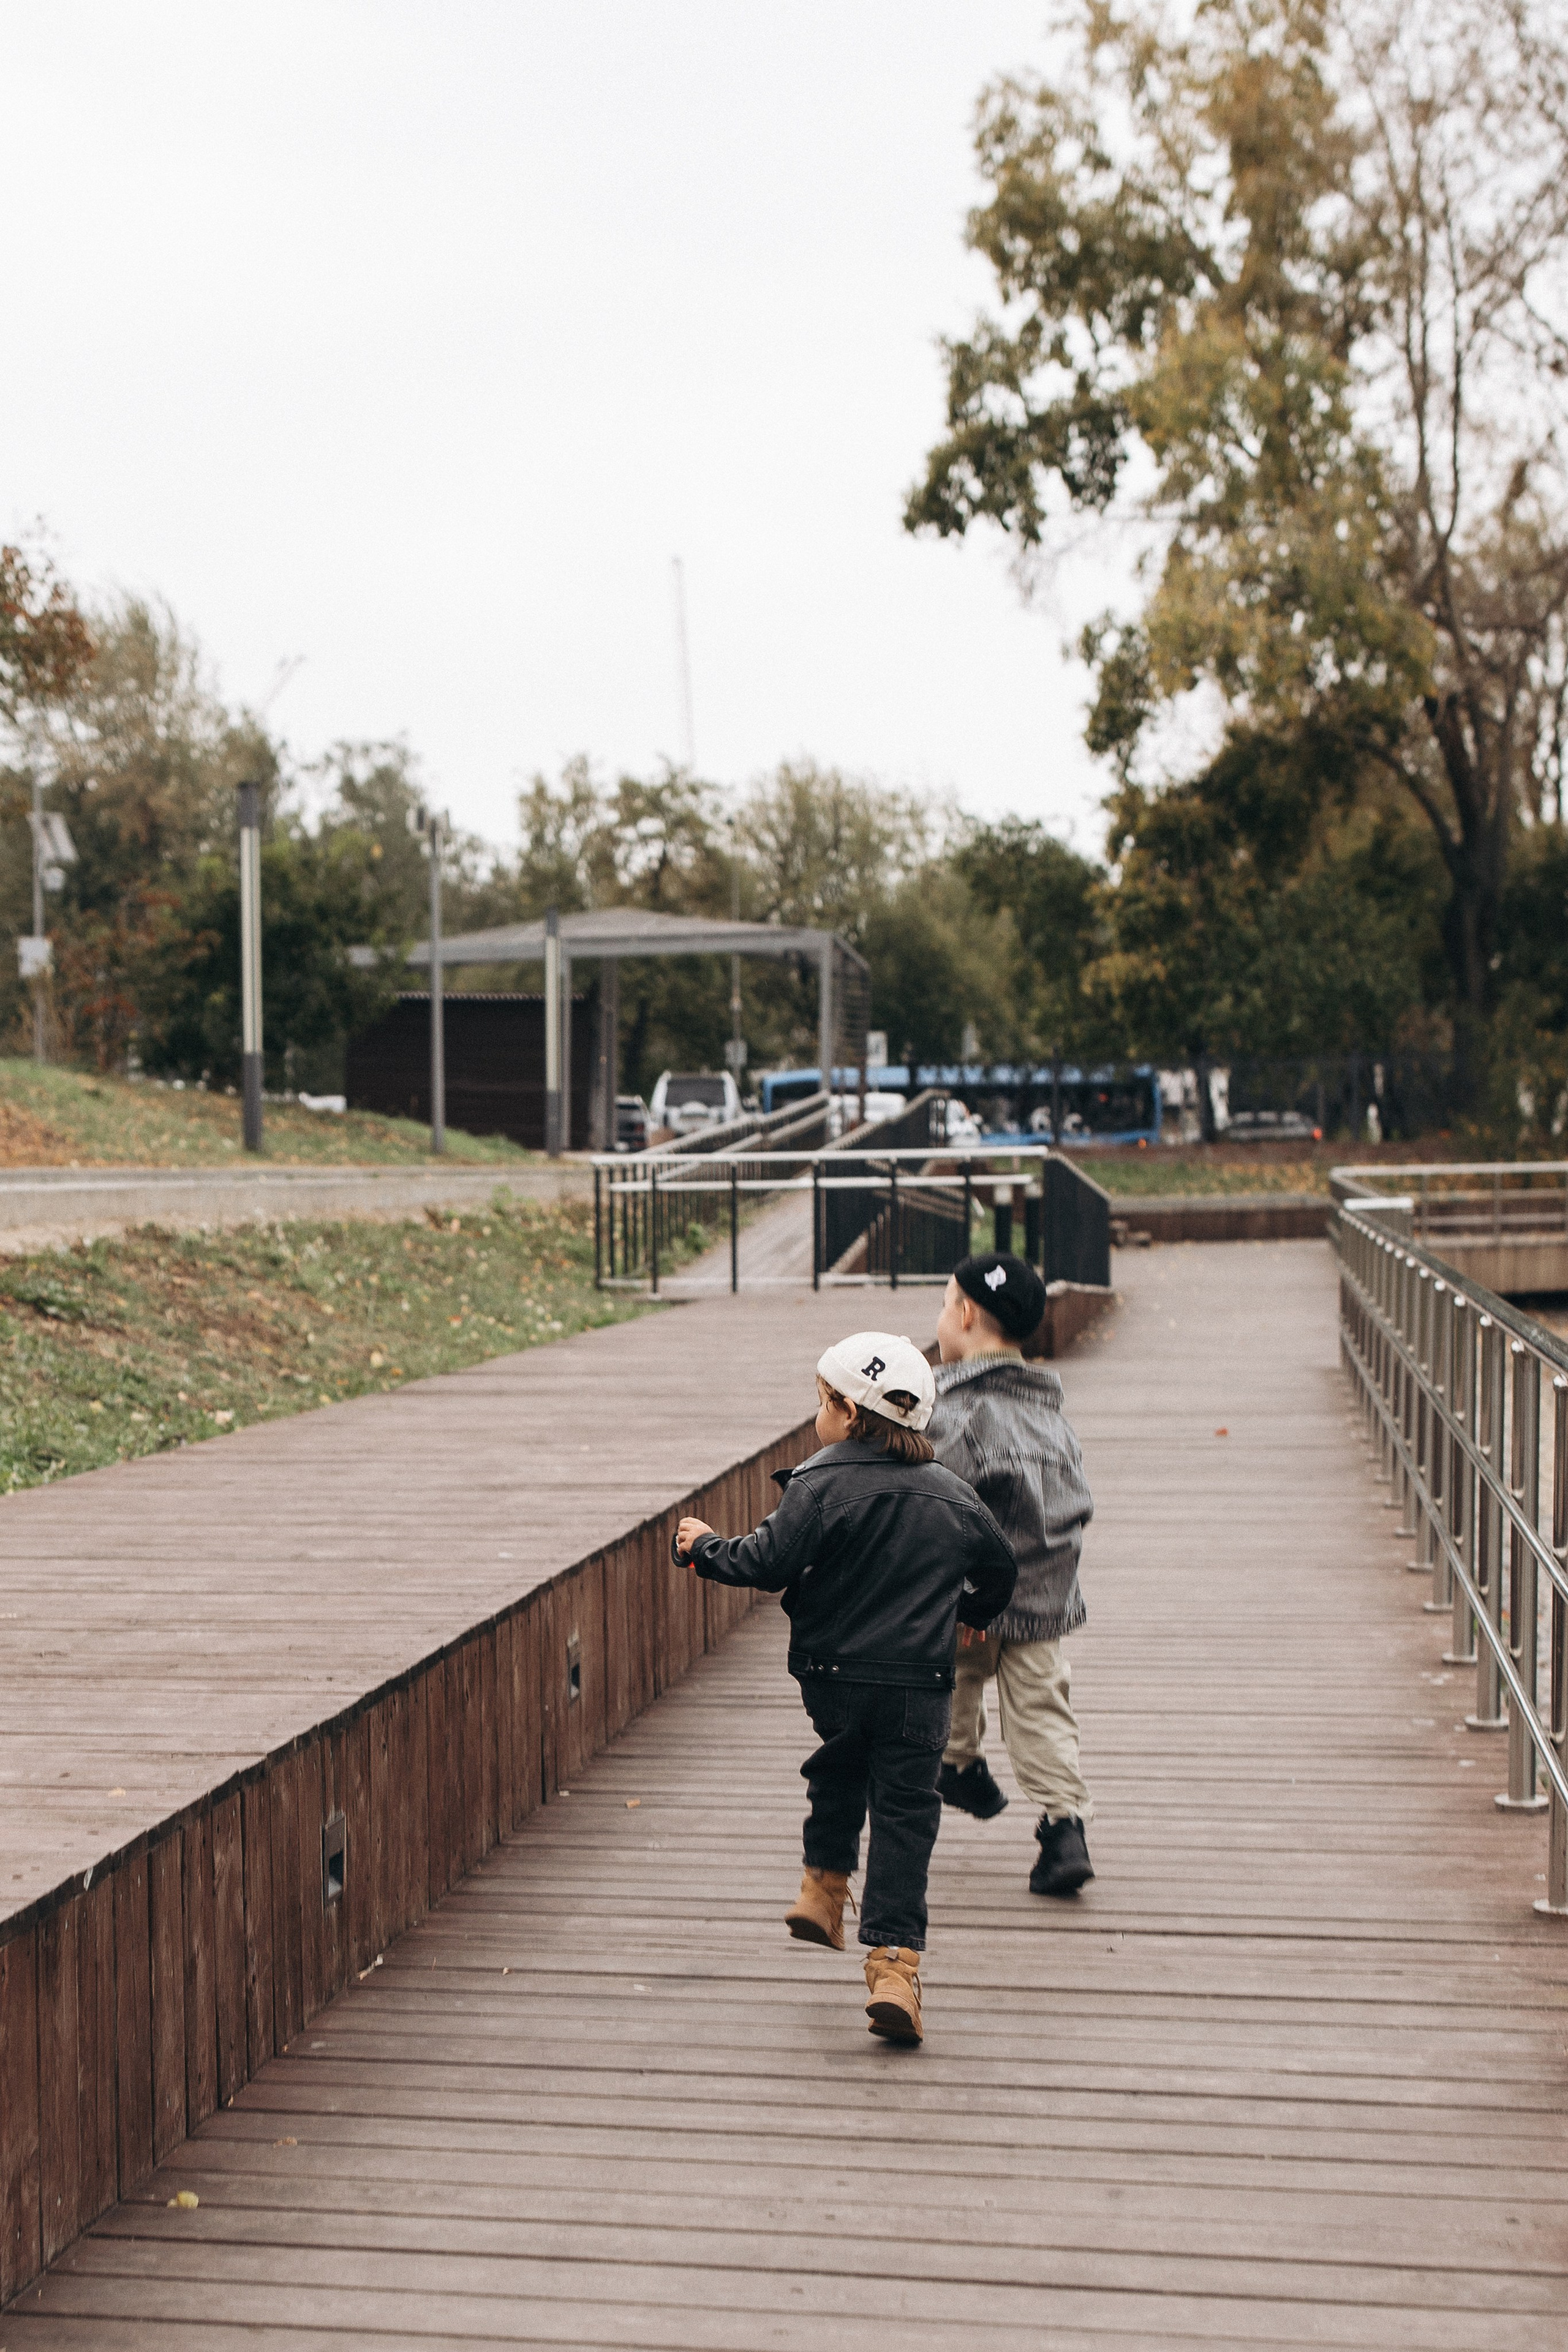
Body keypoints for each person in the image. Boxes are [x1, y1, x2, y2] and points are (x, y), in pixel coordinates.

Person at [676, 1330, 1016, 2046]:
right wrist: (971, 1616)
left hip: (832, 1680)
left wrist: (704, 1547)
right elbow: (1001, 1567)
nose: (818, 1417)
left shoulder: (818, 1484)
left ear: (850, 1413)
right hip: (918, 1687)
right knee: (904, 1812)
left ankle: (824, 1887)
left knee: (837, 1765)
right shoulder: (953, 1497)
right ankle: (893, 1967)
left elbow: (766, 1563)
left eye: (822, 1403)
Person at [929, 1252, 1096, 1898]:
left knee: (950, 1673)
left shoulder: (955, 1414)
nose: (943, 1316)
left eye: (945, 1305)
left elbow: (934, 1504)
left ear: (965, 1314)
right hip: (1046, 1593)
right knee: (1041, 1708)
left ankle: (956, 1762)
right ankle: (1064, 1831)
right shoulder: (1051, 1415)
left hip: (972, 1592)